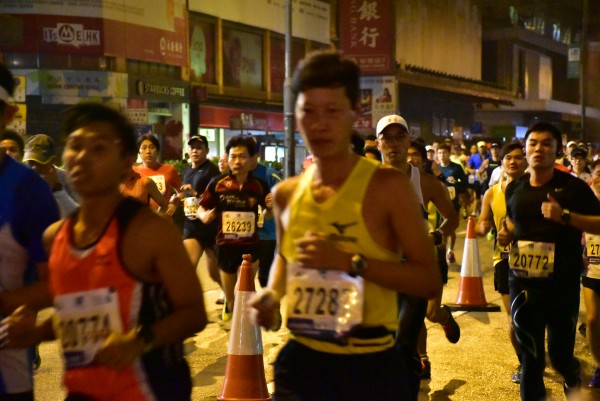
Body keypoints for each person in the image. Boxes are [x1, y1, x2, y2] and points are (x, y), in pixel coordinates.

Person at [250, 50, 441, 401]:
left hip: (368, 365)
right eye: (308, 111)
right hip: (300, 361)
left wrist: (350, 262)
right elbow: (286, 259)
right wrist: (270, 296)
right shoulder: (286, 194)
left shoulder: (388, 187)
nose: (320, 124)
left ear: (354, 113)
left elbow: (428, 279)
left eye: (332, 111)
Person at [4, 102, 207, 401]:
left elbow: (193, 313)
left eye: (98, 148)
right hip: (82, 391)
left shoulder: (151, 232)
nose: (82, 157)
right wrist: (35, 334)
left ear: (125, 162)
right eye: (75, 146)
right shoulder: (56, 237)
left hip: (149, 391)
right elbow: (77, 313)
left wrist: (138, 341)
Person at [497, 122, 600, 401]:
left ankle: (572, 373)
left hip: (561, 284)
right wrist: (506, 233)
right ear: (525, 149)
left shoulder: (573, 188)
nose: (538, 149)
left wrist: (565, 216)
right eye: (533, 143)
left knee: (560, 355)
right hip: (523, 283)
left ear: (557, 151)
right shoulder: (514, 187)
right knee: (531, 359)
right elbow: (512, 222)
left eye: (546, 143)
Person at [375, 116, 459, 390]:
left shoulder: (424, 182)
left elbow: (452, 218)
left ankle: (410, 381)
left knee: (404, 339)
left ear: (408, 141)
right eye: (387, 138)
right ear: (378, 143)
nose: (394, 143)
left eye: (400, 137)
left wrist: (436, 236)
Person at [0, 64, 60, 401]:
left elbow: (56, 284)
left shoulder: (28, 190)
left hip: (7, 377)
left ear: (8, 114)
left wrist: (10, 304)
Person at [198, 135, 271, 322]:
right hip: (225, 246)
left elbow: (268, 214)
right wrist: (204, 216)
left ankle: (245, 329)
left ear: (252, 160)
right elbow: (200, 207)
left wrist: (270, 209)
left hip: (250, 247)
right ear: (228, 159)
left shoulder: (259, 186)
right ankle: (231, 313)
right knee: (231, 299)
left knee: (243, 292)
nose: (237, 161)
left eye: (242, 156)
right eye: (233, 156)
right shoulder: (218, 184)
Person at [476, 141, 527, 384]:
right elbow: (482, 222)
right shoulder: (491, 193)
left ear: (525, 162)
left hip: (534, 257)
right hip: (504, 259)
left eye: (518, 157)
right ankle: (523, 362)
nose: (513, 161)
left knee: (533, 314)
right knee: (514, 317)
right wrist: (482, 227)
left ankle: (534, 353)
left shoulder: (535, 189)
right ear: (502, 163)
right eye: (509, 158)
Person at [178, 135, 222, 304]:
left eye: (199, 147)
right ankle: (188, 303)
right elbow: (186, 195)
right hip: (192, 226)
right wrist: (179, 198)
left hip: (210, 228)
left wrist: (195, 193)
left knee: (214, 272)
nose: (195, 151)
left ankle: (229, 295)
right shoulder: (186, 171)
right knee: (187, 266)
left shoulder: (212, 171)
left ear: (207, 151)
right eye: (192, 147)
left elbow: (218, 196)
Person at [23, 134, 80, 217]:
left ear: (53, 161)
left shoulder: (68, 178)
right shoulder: (23, 178)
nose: (34, 167)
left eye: (39, 162)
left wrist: (56, 188)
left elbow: (78, 214)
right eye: (30, 162)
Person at [133, 134, 181, 216]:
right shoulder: (133, 171)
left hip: (163, 218)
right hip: (141, 219)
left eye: (152, 147)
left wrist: (174, 204)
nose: (148, 151)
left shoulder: (169, 169)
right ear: (139, 152)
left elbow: (182, 192)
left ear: (157, 150)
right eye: (144, 148)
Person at [437, 144, 467, 264]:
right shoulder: (436, 168)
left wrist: (456, 185)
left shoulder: (456, 168)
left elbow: (464, 183)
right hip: (439, 203)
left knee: (451, 228)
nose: (442, 155)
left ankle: (450, 250)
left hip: (453, 203)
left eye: (444, 153)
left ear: (449, 154)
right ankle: (443, 252)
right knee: (441, 228)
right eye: (439, 153)